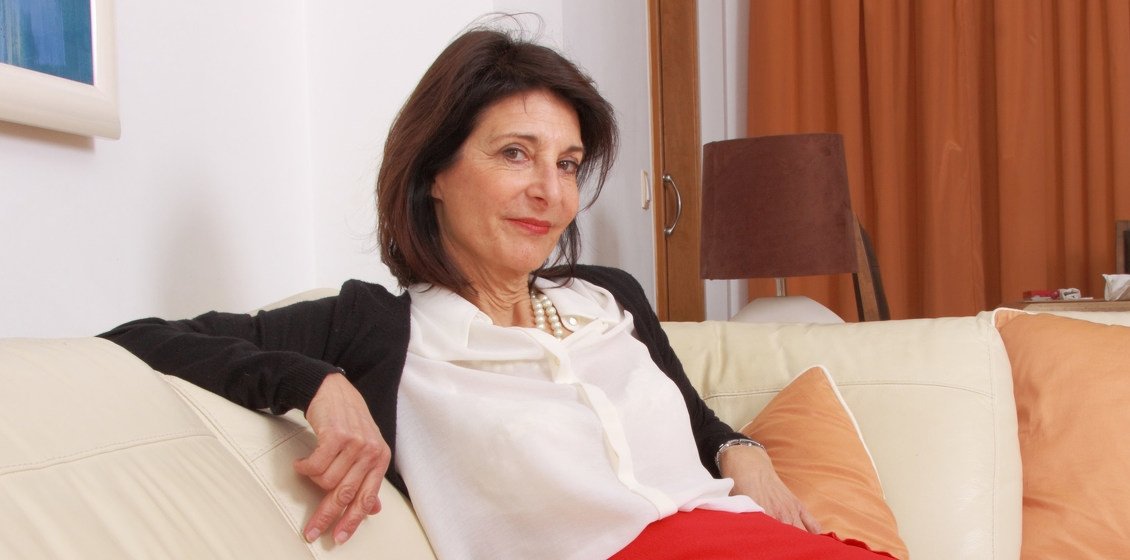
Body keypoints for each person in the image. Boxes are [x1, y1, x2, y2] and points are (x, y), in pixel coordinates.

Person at [101, 26, 895, 560]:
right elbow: (139, 338)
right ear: (435, 173)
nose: (550, 191)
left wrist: (741, 453)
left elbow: (693, 420)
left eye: (567, 163)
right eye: (516, 154)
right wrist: (315, 382)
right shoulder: (378, 328)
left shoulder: (609, 297)